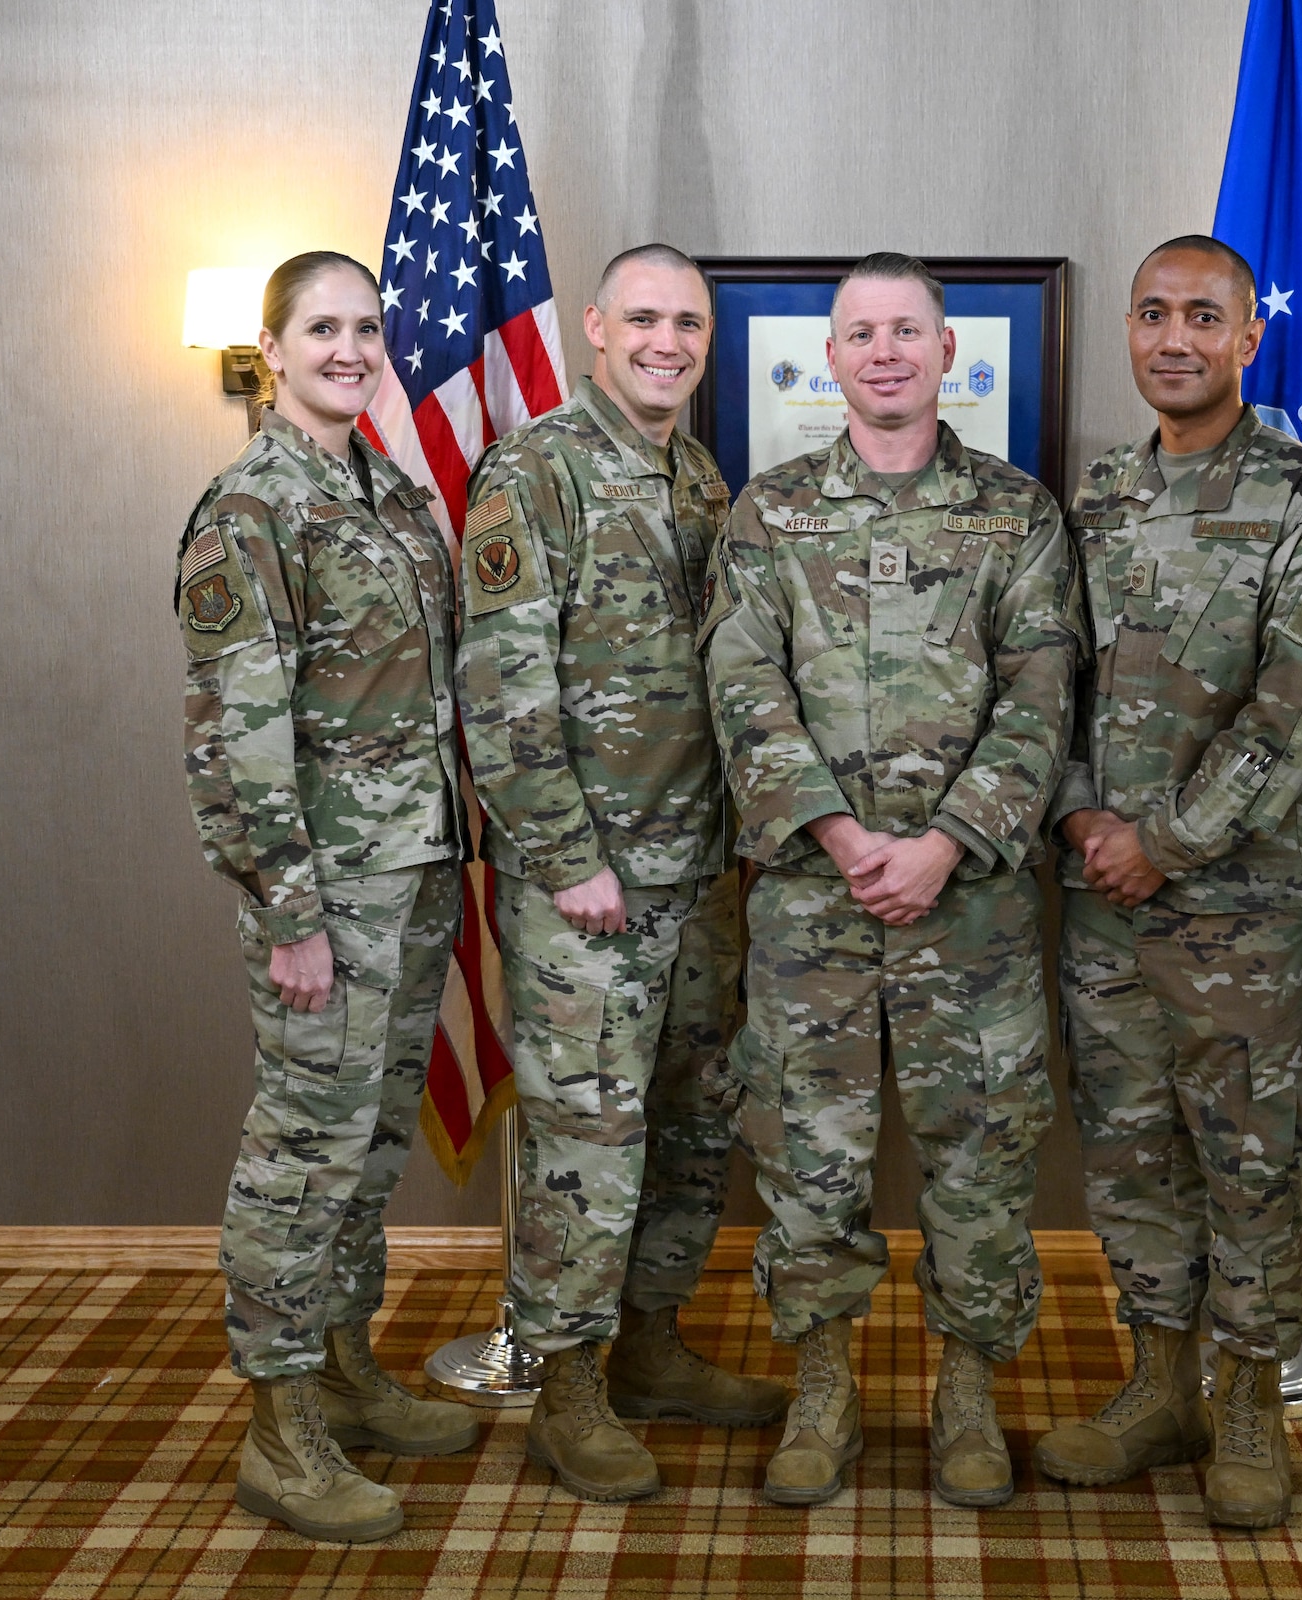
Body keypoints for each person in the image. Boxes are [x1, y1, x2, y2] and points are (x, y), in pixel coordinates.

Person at [700, 252, 1080, 1508]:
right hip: (813, 904)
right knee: (808, 1157)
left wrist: (945, 841)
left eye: (905, 332)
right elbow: (741, 688)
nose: (883, 353)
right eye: (859, 334)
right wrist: (836, 835)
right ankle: (823, 1388)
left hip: (966, 905)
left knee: (980, 1159)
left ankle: (967, 1389)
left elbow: (1041, 698)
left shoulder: (1016, 517)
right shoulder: (767, 515)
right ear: (830, 357)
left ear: (946, 352)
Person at [1029, 236, 1302, 1529]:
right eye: (1154, 313)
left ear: (1248, 340)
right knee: (1128, 1158)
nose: (1176, 337)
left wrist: (1158, 839)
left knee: (1248, 1164)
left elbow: (1296, 710)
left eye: (1204, 317)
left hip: (1242, 917)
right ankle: (1160, 1379)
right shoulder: (1100, 499)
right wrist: (1075, 819)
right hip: (1103, 908)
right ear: (1130, 330)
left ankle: (1245, 1399)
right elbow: (1043, 682)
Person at [453, 243, 785, 1504]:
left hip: (699, 875)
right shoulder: (533, 472)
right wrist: (564, 854)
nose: (666, 340)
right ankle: (568, 1387)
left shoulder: (696, 475)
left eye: (686, 323)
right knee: (585, 1139)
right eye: (642, 317)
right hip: (586, 885)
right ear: (592, 325)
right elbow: (502, 682)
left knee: (692, 1127)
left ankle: (648, 1345)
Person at [177, 251, 480, 1543]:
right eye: (323, 329)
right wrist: (289, 911)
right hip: (326, 890)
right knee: (302, 1150)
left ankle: (346, 1362)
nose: (350, 348)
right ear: (274, 345)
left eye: (366, 327)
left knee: (364, 1149)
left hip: (410, 873)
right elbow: (237, 735)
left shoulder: (393, 495)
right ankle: (279, 1424)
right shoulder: (253, 508)